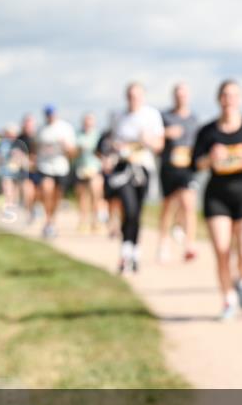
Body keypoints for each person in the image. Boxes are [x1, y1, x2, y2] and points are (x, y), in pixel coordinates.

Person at [192, 80, 242, 320]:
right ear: (219, 99)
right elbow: (196, 164)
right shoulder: (208, 131)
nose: (230, 99)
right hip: (217, 195)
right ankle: (228, 300)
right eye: (226, 95)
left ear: (240, 99)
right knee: (222, 250)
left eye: (234, 95)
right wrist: (210, 158)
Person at [105, 82, 164, 274]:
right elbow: (111, 141)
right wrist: (117, 148)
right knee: (128, 209)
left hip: (143, 168)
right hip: (123, 169)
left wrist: (147, 141)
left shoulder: (152, 115)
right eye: (131, 95)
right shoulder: (118, 116)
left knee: (137, 211)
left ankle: (135, 252)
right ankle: (124, 251)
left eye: (137, 95)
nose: (134, 99)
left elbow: (159, 145)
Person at [157, 83, 201, 262]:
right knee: (168, 206)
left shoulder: (194, 119)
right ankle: (163, 243)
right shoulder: (164, 117)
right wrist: (166, 133)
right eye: (178, 94)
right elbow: (155, 139)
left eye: (183, 95)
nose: (180, 98)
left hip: (187, 168)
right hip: (168, 166)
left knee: (189, 204)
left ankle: (189, 245)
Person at [33, 105, 76, 239]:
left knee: (57, 196)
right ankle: (48, 221)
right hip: (45, 167)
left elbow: (73, 152)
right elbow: (35, 147)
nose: (50, 116)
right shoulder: (41, 130)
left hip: (61, 168)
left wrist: (65, 146)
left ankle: (52, 221)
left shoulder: (65, 128)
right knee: (47, 190)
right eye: (48, 114)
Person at [73, 113, 107, 233]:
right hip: (80, 169)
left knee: (96, 193)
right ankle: (83, 221)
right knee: (82, 196)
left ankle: (95, 220)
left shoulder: (98, 136)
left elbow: (102, 153)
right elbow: (72, 153)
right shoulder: (77, 135)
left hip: (95, 169)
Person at [15, 114, 39, 223]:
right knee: (27, 191)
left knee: (36, 193)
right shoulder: (20, 138)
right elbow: (16, 153)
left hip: (38, 168)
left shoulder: (38, 136)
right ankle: (30, 212)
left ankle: (34, 208)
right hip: (25, 169)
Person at [0, 124, 23, 209]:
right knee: (7, 186)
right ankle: (8, 204)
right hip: (5, 169)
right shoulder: (2, 143)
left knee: (14, 188)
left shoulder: (18, 143)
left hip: (16, 169)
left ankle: (12, 203)